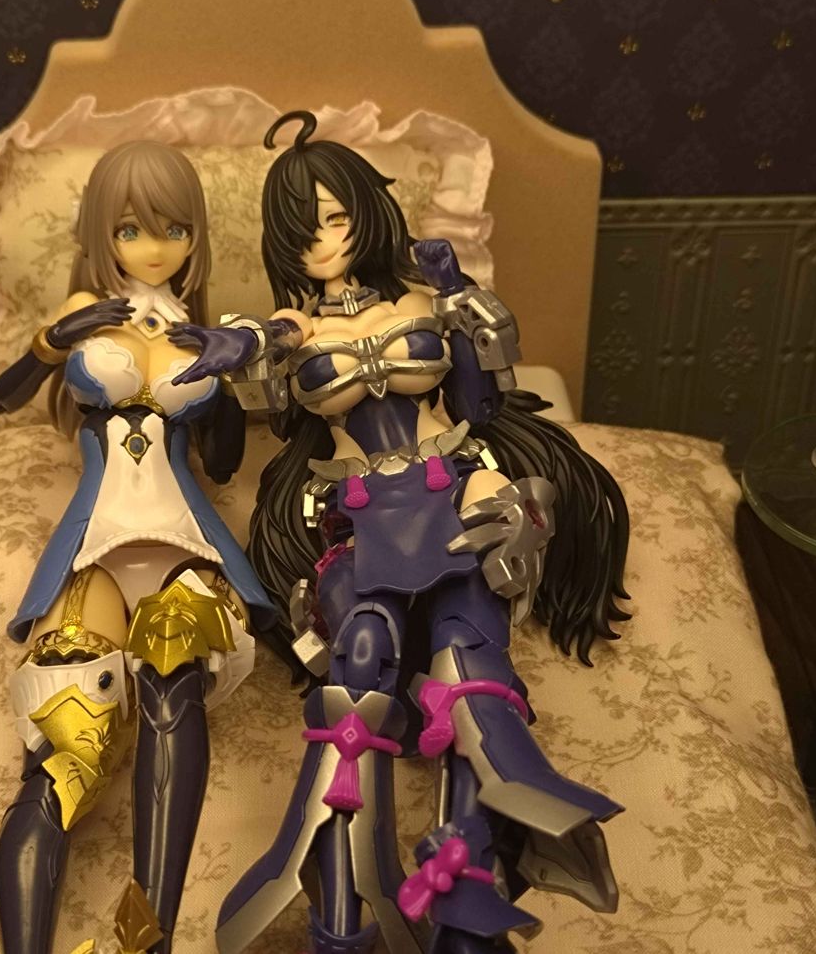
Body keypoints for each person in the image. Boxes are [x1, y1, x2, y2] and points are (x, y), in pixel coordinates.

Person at [169, 111, 630, 954]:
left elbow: (480, 403)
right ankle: (343, 908)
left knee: (468, 669)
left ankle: (466, 882)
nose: (322, 239)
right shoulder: (297, 326)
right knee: (362, 652)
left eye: (336, 215)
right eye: (302, 227)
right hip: (361, 512)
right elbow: (267, 348)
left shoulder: (422, 301)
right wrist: (238, 343)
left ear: (367, 211)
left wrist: (459, 296)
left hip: (449, 490)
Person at [0, 140, 272, 954]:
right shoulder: (84, 309)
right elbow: (4, 397)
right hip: (95, 538)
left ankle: (153, 936)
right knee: (68, 743)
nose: (155, 246)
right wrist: (52, 341)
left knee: (174, 680)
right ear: (101, 233)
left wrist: (233, 374)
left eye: (175, 229)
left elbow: (223, 463)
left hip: (180, 535)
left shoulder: (201, 328)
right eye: (132, 228)